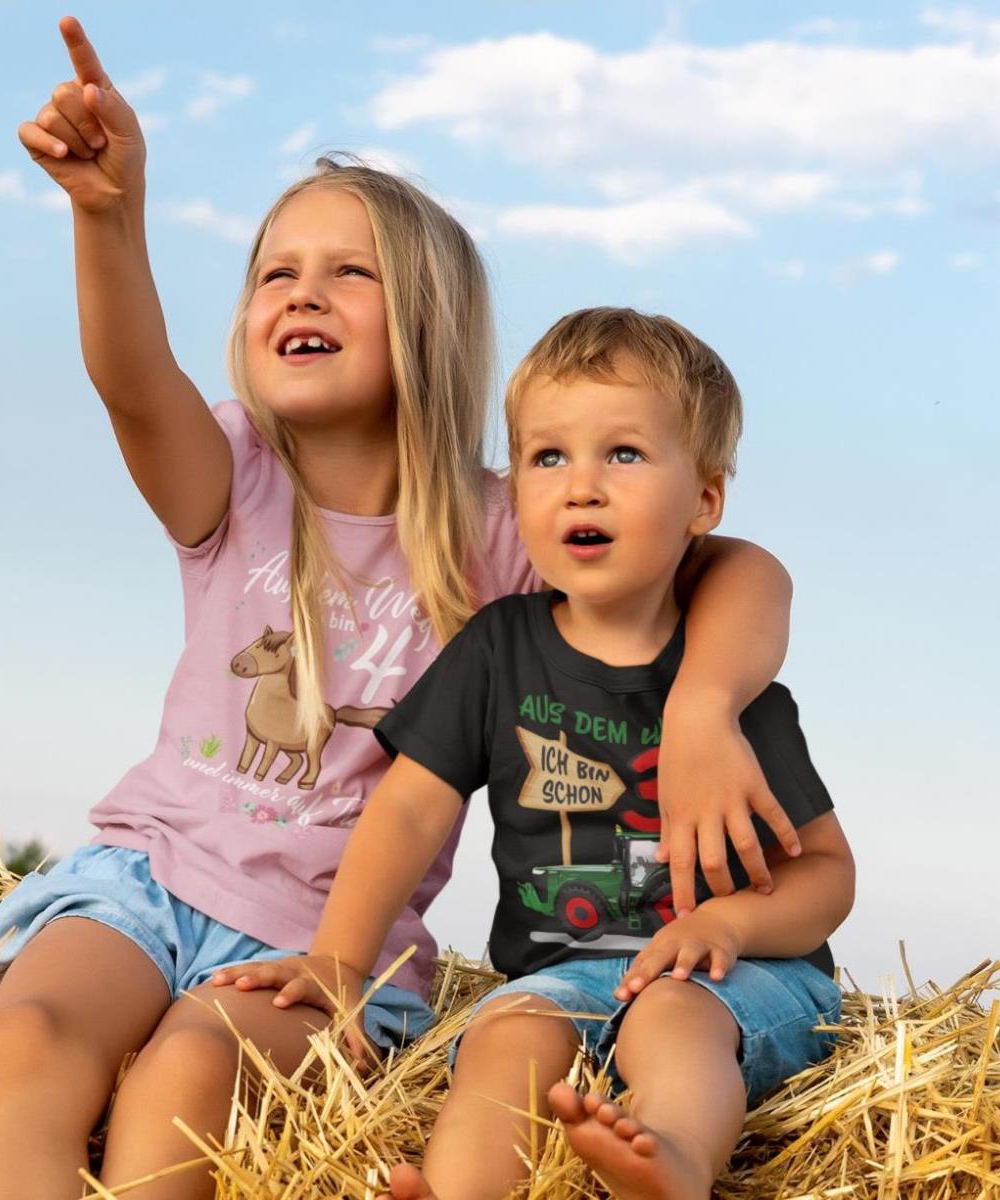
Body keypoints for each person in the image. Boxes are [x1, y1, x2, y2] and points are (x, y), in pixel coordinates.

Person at [0, 16, 803, 1200]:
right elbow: (129, 379)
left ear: (427, 324)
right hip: (146, 876)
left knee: (188, 1077)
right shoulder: (231, 473)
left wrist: (706, 706)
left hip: (331, 948)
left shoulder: (512, 525)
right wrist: (108, 214)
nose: (301, 292)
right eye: (274, 273)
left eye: (348, 271)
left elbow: (740, 567)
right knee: (32, 1040)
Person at [221, 308, 855, 1200]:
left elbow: (826, 872)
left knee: (668, 1020)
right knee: (505, 1034)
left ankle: (669, 1160)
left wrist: (728, 924)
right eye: (546, 457)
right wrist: (338, 958)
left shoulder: (733, 695)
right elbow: (407, 807)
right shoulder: (497, 648)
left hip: (735, 977)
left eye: (623, 454)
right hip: (558, 976)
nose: (581, 487)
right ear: (513, 489)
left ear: (704, 501)